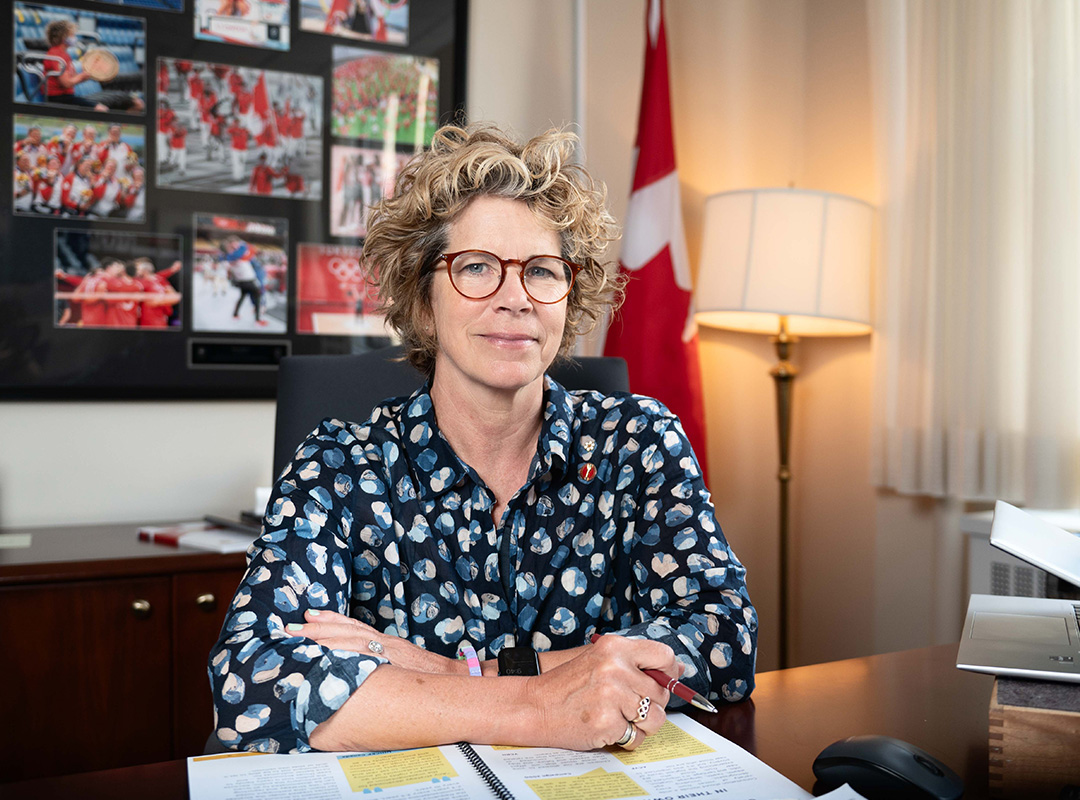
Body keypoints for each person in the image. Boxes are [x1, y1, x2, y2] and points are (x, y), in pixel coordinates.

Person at [208, 122, 757, 755]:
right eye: (476, 268)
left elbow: (722, 637)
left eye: (543, 272)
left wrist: (446, 673)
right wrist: (539, 704)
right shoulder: (338, 466)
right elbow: (252, 686)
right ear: (421, 298)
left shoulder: (639, 443)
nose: (516, 299)